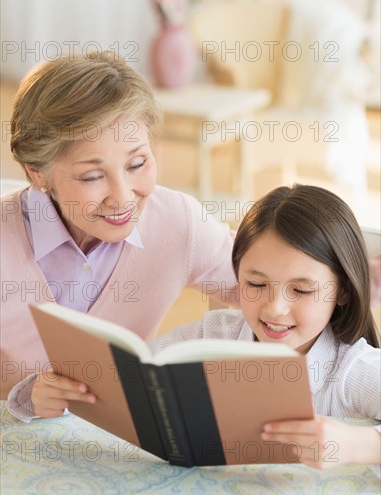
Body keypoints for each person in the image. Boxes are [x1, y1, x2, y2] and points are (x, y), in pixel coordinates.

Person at [8, 184, 380, 470]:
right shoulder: (212, 334)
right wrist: (40, 394)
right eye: (255, 284)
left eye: (301, 289)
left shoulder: (352, 370)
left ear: (343, 291)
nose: (274, 307)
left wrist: (359, 445)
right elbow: (124, 374)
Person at [1, 51, 239, 398]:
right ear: (37, 174)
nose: (122, 197)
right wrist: (22, 398)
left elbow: (276, 286)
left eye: (137, 163)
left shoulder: (177, 223)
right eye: (93, 176)